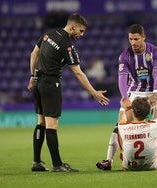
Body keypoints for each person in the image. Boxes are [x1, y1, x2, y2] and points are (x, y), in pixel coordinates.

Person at [96, 24, 157, 170]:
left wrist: (156, 92)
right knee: (120, 124)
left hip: (152, 90)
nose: (133, 42)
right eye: (130, 39)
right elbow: (122, 78)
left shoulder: (155, 52)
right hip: (134, 91)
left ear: (144, 37)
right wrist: (124, 97)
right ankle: (108, 161)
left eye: (136, 39)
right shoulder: (125, 55)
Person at [27, 13, 110, 172]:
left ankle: (36, 162)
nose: (81, 34)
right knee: (52, 124)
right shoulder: (67, 45)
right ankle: (57, 165)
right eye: (81, 30)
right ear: (72, 27)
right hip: (51, 84)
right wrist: (94, 93)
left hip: (37, 82)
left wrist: (32, 77)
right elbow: (78, 73)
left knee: (41, 122)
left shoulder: (49, 34)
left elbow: (34, 54)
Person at [116, 97, 157, 171]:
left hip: (130, 167)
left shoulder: (124, 127)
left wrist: (123, 108)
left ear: (132, 111)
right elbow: (156, 117)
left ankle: (125, 163)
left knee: (120, 132)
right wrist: (156, 106)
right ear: (148, 112)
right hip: (151, 166)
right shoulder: (154, 125)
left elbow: (121, 120)